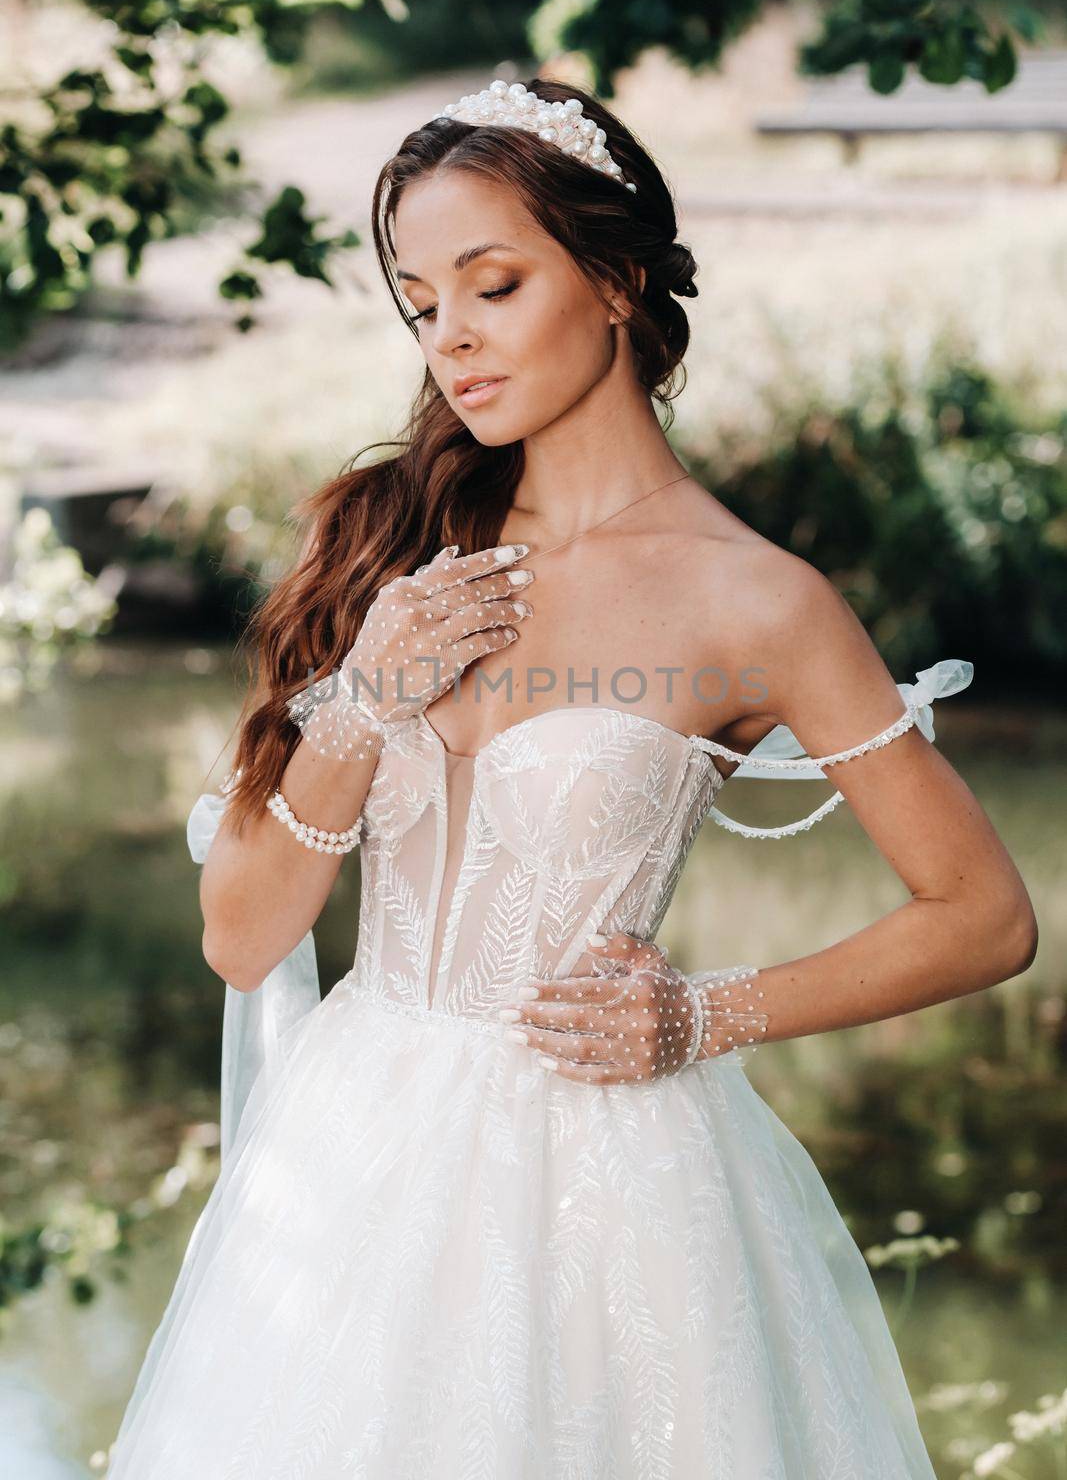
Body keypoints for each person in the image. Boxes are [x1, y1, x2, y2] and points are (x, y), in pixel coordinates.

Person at [104, 77, 1036, 1478]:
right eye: (423, 303)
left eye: (494, 283)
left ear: (613, 279)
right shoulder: (384, 548)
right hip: (350, 1161)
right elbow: (242, 938)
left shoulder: (760, 604)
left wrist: (709, 1013)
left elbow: (984, 913)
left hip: (611, 1181)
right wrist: (364, 699)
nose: (454, 339)